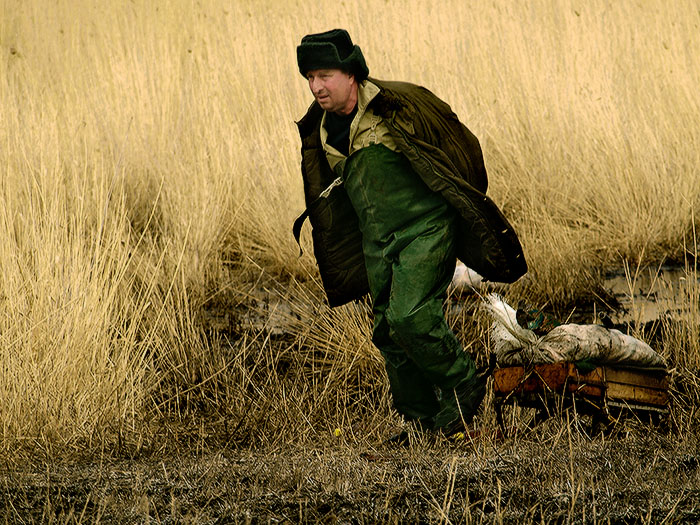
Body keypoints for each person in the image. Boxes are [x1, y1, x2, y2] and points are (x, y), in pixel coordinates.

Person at [293, 29, 527, 438]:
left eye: (325, 75)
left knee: (409, 315)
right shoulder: (320, 131)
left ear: (351, 73)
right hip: (377, 240)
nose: (316, 86)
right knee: (386, 329)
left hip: (426, 227)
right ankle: (420, 420)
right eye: (310, 77)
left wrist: (466, 206)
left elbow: (459, 145)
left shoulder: (396, 105)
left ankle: (464, 385)